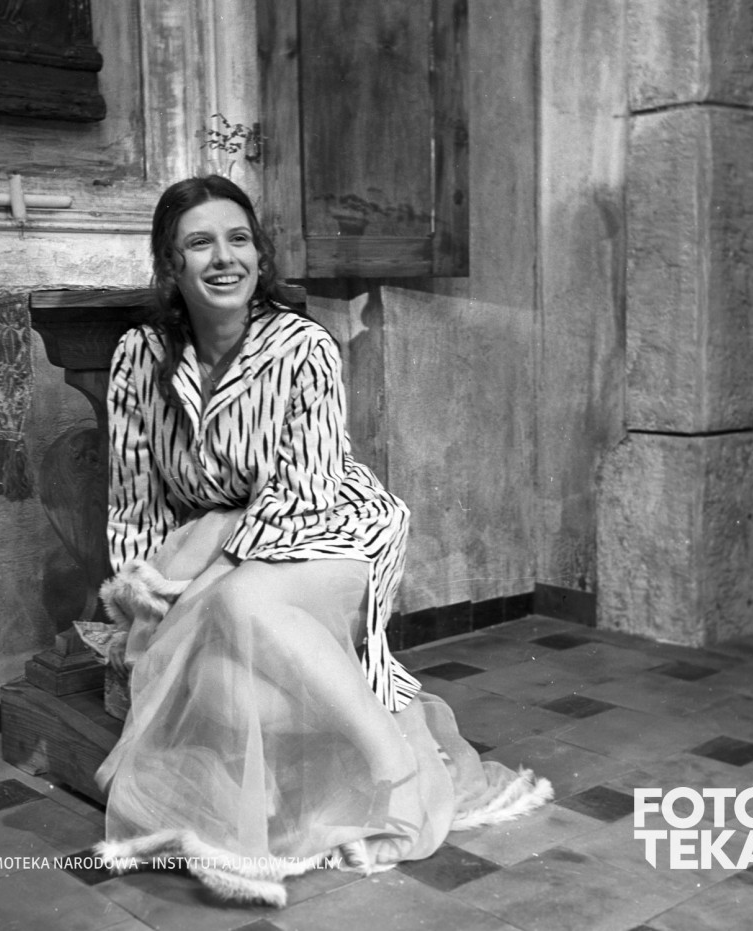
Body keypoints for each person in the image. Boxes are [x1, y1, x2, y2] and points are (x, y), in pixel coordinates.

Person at [94, 175, 552, 907]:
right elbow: (135, 495)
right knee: (226, 686)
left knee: (237, 603)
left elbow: (300, 494)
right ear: (171, 264)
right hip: (216, 537)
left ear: (259, 255)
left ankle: (395, 769)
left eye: (239, 239)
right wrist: (138, 588)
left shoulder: (302, 345)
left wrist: (203, 583)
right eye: (200, 243)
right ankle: (296, 805)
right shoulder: (138, 357)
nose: (224, 258)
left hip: (329, 529)